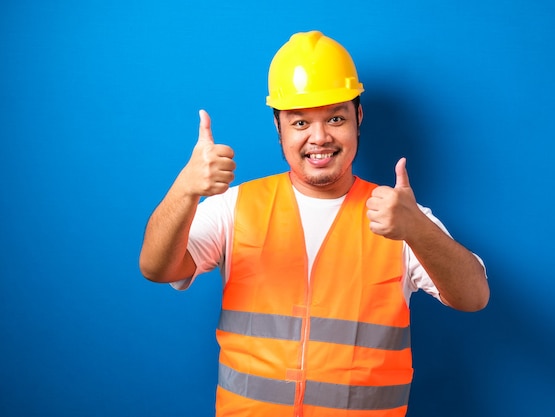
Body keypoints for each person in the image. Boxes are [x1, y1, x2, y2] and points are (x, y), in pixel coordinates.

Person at [139, 30, 489, 417]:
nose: (319, 138)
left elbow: (473, 298)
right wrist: (185, 190)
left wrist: (418, 230)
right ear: (279, 128)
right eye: (300, 122)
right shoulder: (234, 206)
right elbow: (157, 268)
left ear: (358, 117)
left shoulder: (400, 216)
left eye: (335, 117)